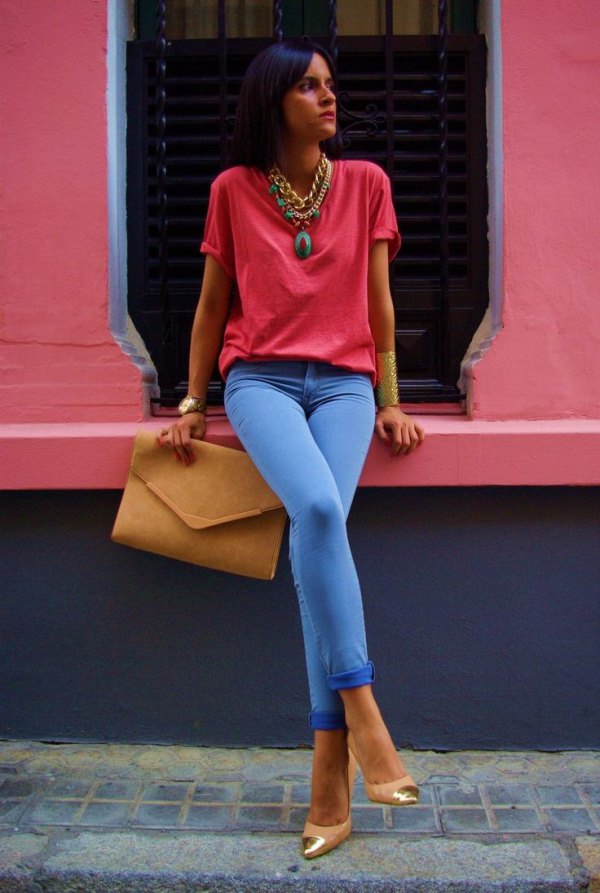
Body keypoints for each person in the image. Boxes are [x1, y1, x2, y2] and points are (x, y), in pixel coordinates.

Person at [158, 39, 425, 859]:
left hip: (344, 384)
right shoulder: (233, 192)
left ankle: (327, 773)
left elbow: (379, 305)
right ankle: (365, 711)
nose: (328, 96)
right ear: (274, 100)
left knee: (320, 533)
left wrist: (388, 397)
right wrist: (195, 399)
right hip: (262, 383)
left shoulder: (366, 185)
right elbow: (211, 308)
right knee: (316, 509)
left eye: (330, 85)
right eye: (310, 86)